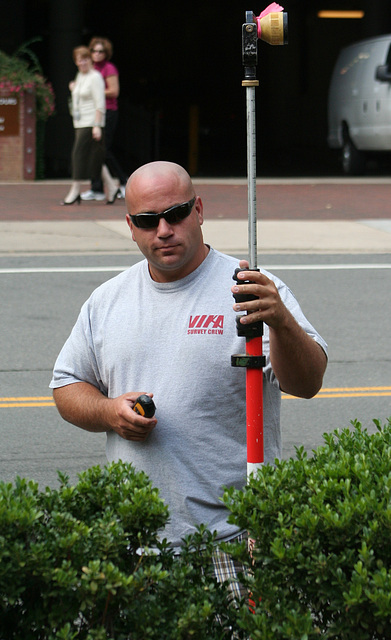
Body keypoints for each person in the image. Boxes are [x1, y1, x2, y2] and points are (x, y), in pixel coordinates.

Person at [51, 160, 327, 596]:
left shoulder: (251, 290)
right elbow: (66, 385)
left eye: (175, 214)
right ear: (131, 225)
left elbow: (307, 382)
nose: (163, 229)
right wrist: (108, 411)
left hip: (233, 540)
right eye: (147, 220)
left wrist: (282, 322)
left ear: (198, 210)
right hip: (135, 544)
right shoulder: (107, 301)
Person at [62, 46, 119, 206]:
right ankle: (112, 186)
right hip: (80, 122)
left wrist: (96, 125)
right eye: (79, 59)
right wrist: (73, 88)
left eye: (86, 59)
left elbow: (100, 102)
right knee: (95, 158)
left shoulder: (95, 77)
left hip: (90, 122)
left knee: (78, 155)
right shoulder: (80, 76)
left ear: (90, 60)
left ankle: (75, 190)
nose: (83, 62)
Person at [80, 37, 128, 203]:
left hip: (108, 111)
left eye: (100, 51)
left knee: (103, 150)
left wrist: (95, 91)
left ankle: (123, 182)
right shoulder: (89, 69)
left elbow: (114, 91)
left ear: (106, 53)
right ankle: (97, 188)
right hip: (92, 112)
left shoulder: (108, 68)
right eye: (94, 51)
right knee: (95, 151)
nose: (96, 54)